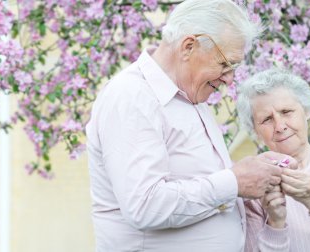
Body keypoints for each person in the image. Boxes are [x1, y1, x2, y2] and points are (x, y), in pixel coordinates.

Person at [86, 1, 296, 251]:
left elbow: (201, 184)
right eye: (225, 64)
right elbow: (144, 206)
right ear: (188, 46)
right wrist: (234, 182)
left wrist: (253, 172)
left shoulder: (188, 94)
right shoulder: (132, 96)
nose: (229, 79)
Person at [236, 68, 310, 251]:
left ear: (306, 111)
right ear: (255, 131)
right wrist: (275, 222)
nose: (280, 126)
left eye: (286, 111)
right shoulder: (252, 190)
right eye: (266, 119)